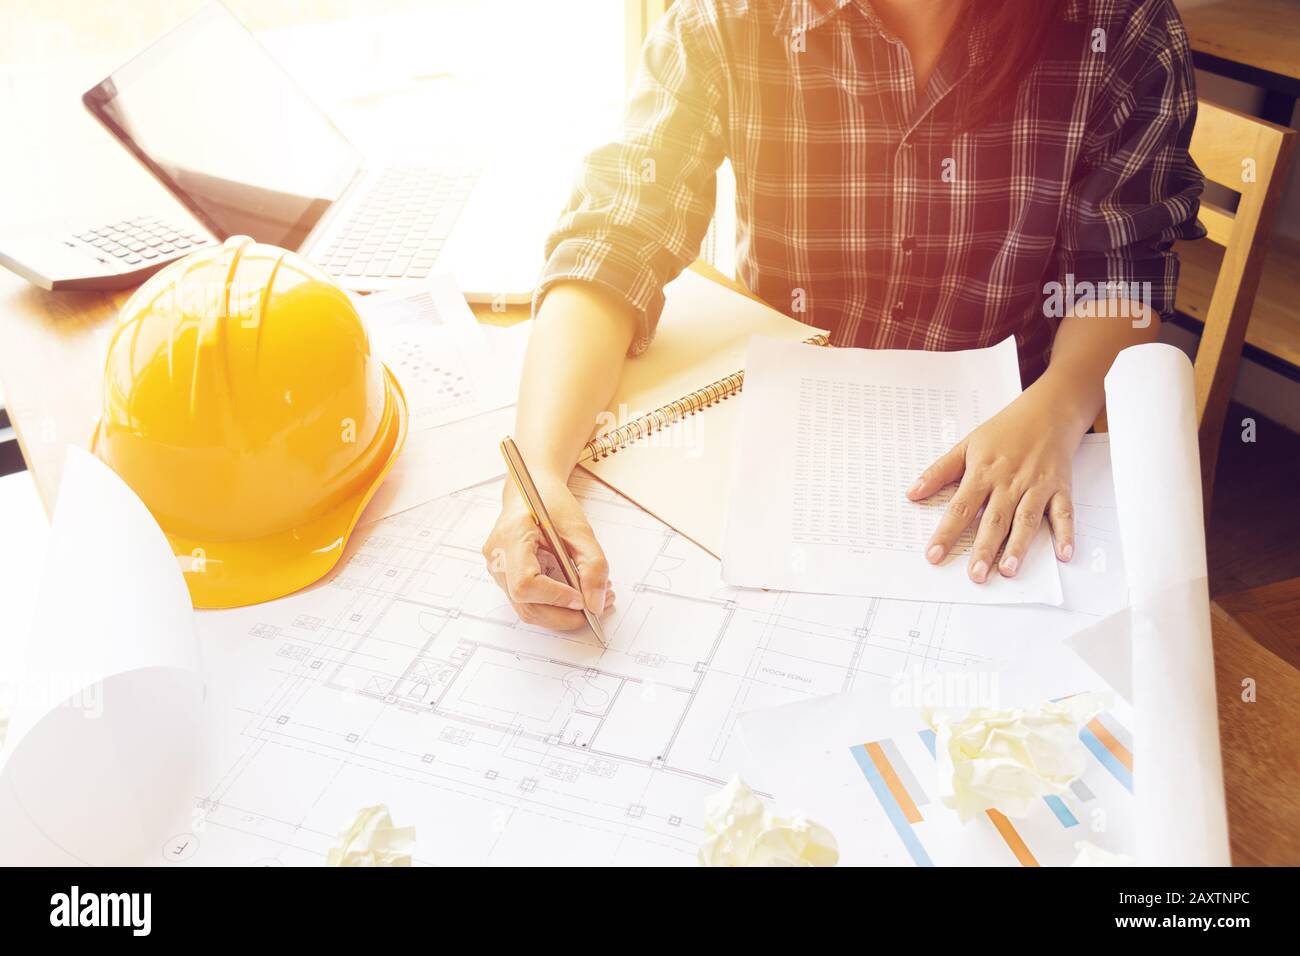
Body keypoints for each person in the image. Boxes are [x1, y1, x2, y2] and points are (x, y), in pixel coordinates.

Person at [482, 0, 1203, 630]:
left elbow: (1124, 272)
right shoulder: (733, 19)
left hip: (1000, 456)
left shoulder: (1119, 26)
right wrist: (539, 470)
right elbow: (616, 238)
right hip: (772, 464)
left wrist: (1061, 401)